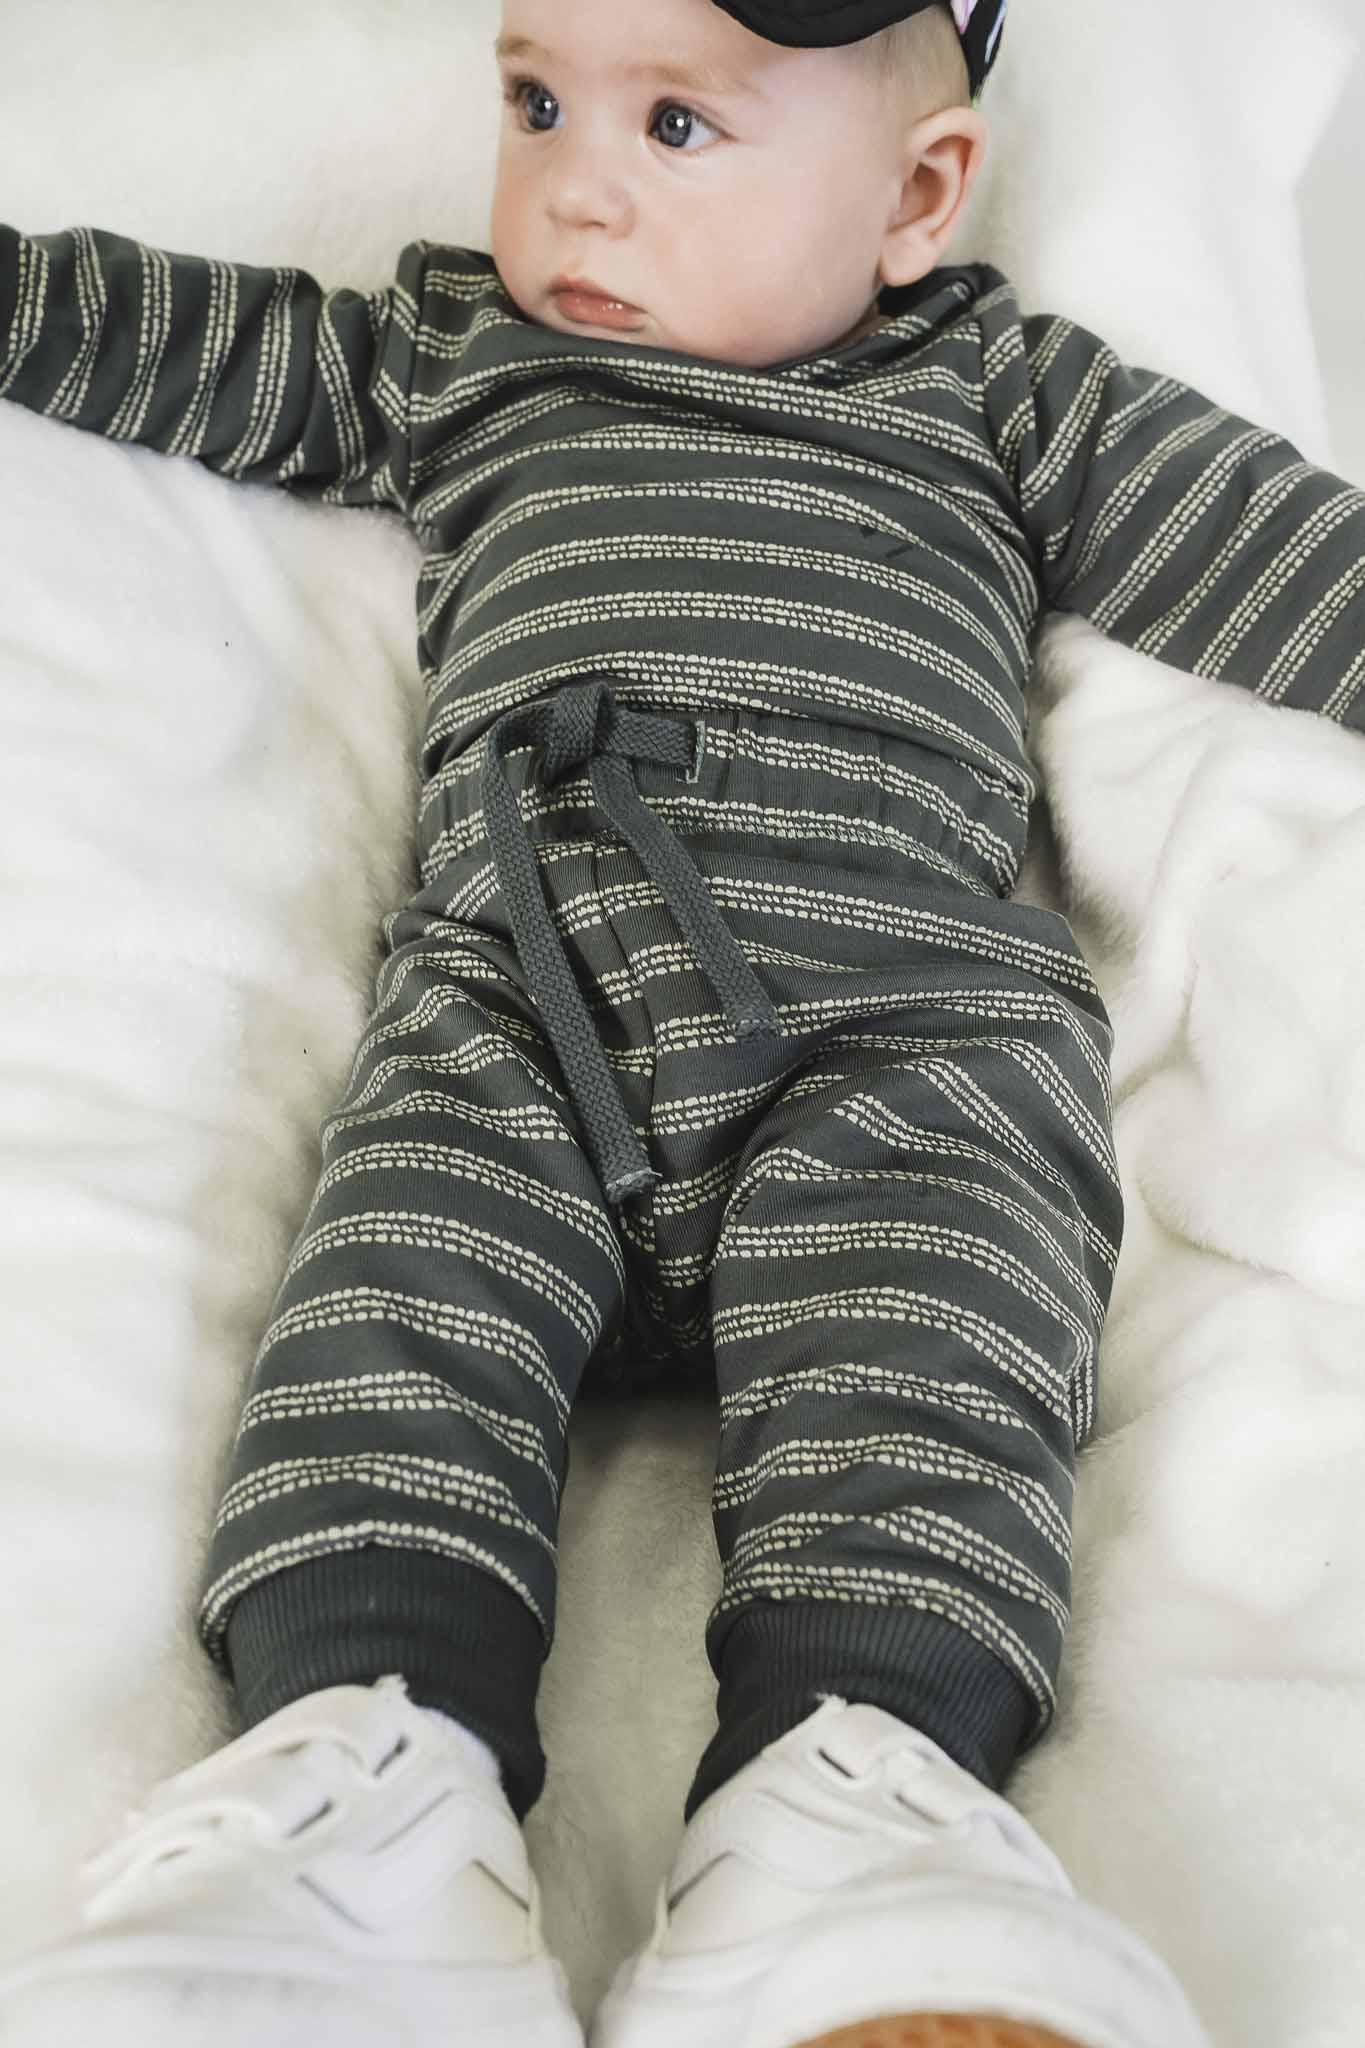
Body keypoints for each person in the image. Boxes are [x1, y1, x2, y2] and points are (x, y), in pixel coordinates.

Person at [2, 0, 1359, 2040]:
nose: (576, 188)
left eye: (675, 127)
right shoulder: (461, 352)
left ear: (914, 196)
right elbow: (183, 341)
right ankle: (370, 1769)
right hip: (527, 993)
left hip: (889, 1025)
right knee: (396, 1301)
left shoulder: (1001, 392)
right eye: (535, 100)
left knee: (934, 1321)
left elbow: (1277, 549)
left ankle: (848, 1788)